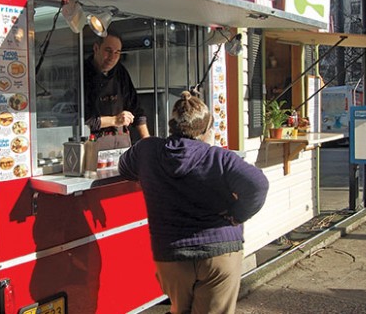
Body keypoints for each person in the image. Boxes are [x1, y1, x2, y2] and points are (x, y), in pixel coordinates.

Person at [118, 91, 269, 314]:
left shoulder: (147, 151)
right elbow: (258, 184)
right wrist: (237, 215)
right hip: (219, 253)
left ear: (172, 125)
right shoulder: (220, 158)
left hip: (171, 257)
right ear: (206, 130)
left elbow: (124, 168)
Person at [84, 30, 149, 148]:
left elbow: (137, 110)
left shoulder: (120, 72)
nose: (112, 57)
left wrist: (148, 142)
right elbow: (86, 120)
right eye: (108, 51)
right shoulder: (83, 74)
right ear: (96, 48)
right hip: (93, 144)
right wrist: (115, 120)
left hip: (122, 141)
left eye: (117, 52)